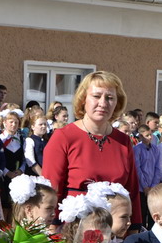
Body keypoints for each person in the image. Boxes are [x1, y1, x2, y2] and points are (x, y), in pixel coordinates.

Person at [42, 71, 142, 227]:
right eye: (96, 96)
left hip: (114, 232)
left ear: (117, 103)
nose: (103, 103)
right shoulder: (63, 137)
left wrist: (133, 228)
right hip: (72, 229)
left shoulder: (123, 141)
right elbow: (51, 191)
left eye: (110, 98)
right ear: (83, 100)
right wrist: (53, 230)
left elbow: (132, 191)